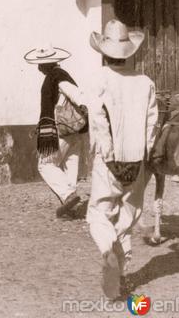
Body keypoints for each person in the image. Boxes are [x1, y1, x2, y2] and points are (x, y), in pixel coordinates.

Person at [86, 19, 158, 300]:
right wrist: (145, 151)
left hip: (109, 161)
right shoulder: (145, 82)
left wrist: (106, 151)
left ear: (104, 53)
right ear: (130, 52)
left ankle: (107, 251)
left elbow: (98, 118)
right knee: (129, 214)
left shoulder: (100, 80)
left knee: (99, 212)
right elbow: (152, 123)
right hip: (136, 160)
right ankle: (120, 269)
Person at [25, 45, 86, 218]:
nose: (38, 67)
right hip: (74, 130)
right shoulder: (59, 76)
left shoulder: (57, 77)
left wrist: (86, 105)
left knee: (45, 164)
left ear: (49, 63)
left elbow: (77, 95)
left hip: (62, 130)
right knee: (70, 163)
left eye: (41, 63)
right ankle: (73, 208)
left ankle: (68, 196)